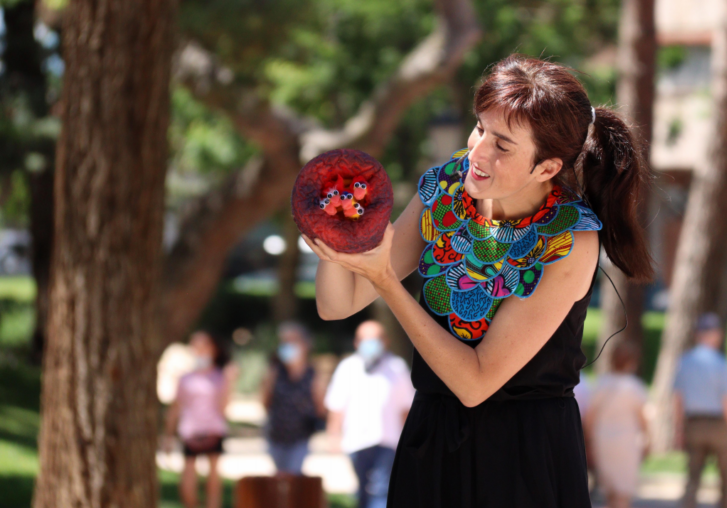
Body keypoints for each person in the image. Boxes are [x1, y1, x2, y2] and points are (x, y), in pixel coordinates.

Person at [303, 54, 653, 507]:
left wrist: (388, 282)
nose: (478, 152)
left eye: (502, 146)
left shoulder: (570, 237)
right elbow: (338, 305)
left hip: (524, 458)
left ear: (546, 168)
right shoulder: (445, 185)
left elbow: (475, 383)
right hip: (431, 438)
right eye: (479, 127)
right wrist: (338, 231)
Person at [323, 320, 414, 508]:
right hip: (356, 441)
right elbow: (336, 406)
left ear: (385, 341)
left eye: (376, 339)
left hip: (388, 440)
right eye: (365, 339)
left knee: (380, 489)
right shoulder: (347, 367)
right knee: (362, 491)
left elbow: (406, 409)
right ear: (357, 342)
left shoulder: (397, 367)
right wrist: (333, 435)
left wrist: (408, 442)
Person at [164, 330, 237, 508]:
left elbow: (223, 408)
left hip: (213, 429)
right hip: (190, 430)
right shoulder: (185, 378)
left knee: (213, 474)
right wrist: (168, 435)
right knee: (188, 473)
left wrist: (229, 382)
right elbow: (175, 408)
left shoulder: (221, 376)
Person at [674, 313, 727, 508]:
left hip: (694, 423)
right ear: (715, 335)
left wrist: (679, 429)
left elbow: (678, 399)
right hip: (718, 423)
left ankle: (689, 504)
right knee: (725, 476)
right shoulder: (721, 362)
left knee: (693, 476)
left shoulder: (685, 361)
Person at [585, 341, 649, 508]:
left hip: (603, 440)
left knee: (610, 493)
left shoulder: (601, 383)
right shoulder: (634, 386)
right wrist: (649, 440)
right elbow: (643, 419)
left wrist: (588, 441)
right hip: (626, 442)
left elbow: (590, 417)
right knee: (623, 494)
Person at [261, 321, 326, 475]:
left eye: (293, 341)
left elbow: (320, 407)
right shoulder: (274, 372)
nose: (288, 345)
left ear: (305, 344)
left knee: (293, 475)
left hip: (300, 436)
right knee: (279, 475)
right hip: (275, 434)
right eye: (285, 341)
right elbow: (265, 401)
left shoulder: (313, 374)